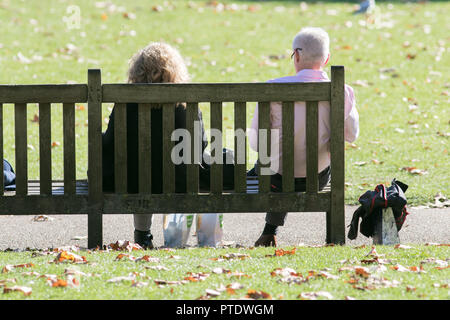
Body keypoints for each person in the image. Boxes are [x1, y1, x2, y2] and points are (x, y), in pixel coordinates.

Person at [249, 27, 360, 247]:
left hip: (275, 180)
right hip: (317, 178)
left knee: (271, 166)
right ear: (327, 58)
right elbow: (351, 136)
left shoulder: (272, 88)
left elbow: (255, 143)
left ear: (296, 55)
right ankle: (329, 237)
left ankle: (270, 231)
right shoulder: (342, 91)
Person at [102, 42, 208, 248]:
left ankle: (142, 235)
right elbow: (200, 144)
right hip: (179, 182)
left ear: (137, 70)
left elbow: (111, 142)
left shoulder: (124, 104)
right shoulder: (186, 104)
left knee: (140, 173)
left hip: (129, 182)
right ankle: (178, 237)